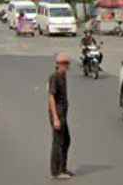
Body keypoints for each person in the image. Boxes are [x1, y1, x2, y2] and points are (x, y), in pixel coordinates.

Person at [48, 52, 73, 180]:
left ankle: (62, 168)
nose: (68, 66)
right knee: (58, 142)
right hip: (57, 114)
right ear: (60, 64)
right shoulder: (55, 77)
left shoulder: (63, 76)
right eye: (67, 64)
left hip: (63, 113)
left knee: (66, 140)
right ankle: (56, 172)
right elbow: (51, 97)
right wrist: (56, 118)